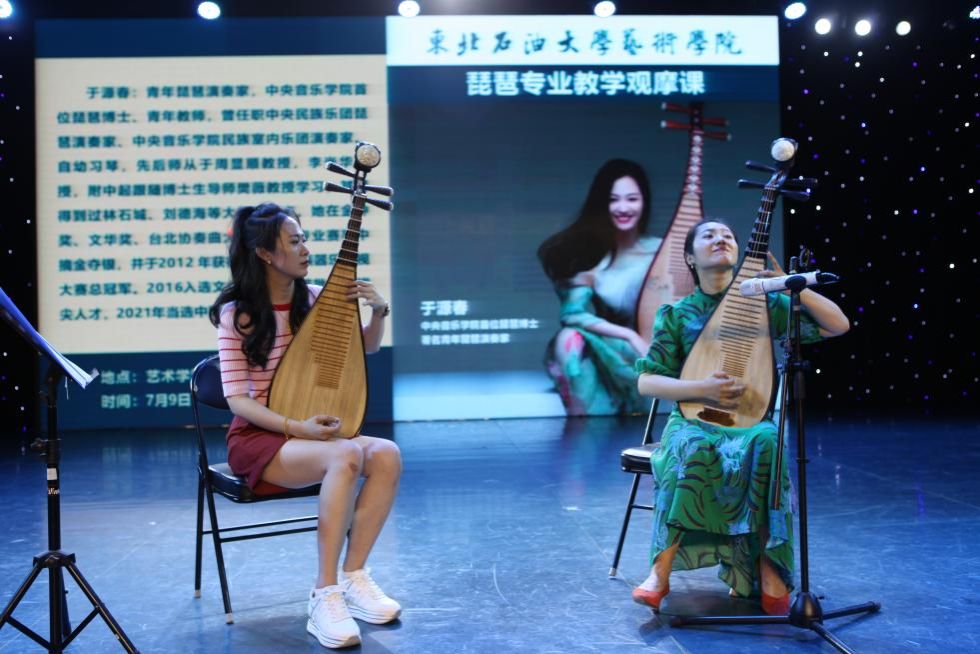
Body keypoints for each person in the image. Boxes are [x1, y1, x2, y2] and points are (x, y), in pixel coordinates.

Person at [631, 219, 850, 616]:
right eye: (709, 235)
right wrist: (701, 389)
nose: (721, 239)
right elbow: (647, 382)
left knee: (768, 441)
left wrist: (791, 285)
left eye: (728, 235)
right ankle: (660, 572)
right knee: (693, 446)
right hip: (693, 420)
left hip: (750, 421)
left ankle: (769, 567)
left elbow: (838, 325)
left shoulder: (763, 304)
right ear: (689, 257)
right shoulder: (676, 314)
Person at [209, 202, 402, 649]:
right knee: (346, 453)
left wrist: (378, 312)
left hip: (309, 432)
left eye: (304, 239)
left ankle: (354, 577)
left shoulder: (317, 299)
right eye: (294, 242)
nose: (305, 249)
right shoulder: (237, 315)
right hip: (258, 438)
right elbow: (237, 400)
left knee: (387, 454)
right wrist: (298, 426)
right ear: (264, 253)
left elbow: (366, 350)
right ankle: (324, 593)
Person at [538, 159, 663, 415]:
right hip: (610, 349)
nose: (623, 208)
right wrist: (629, 336)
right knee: (568, 339)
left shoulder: (663, 251)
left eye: (632, 199)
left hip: (655, 351)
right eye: (613, 200)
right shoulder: (591, 256)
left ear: (645, 202)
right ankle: (583, 423)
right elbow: (572, 314)